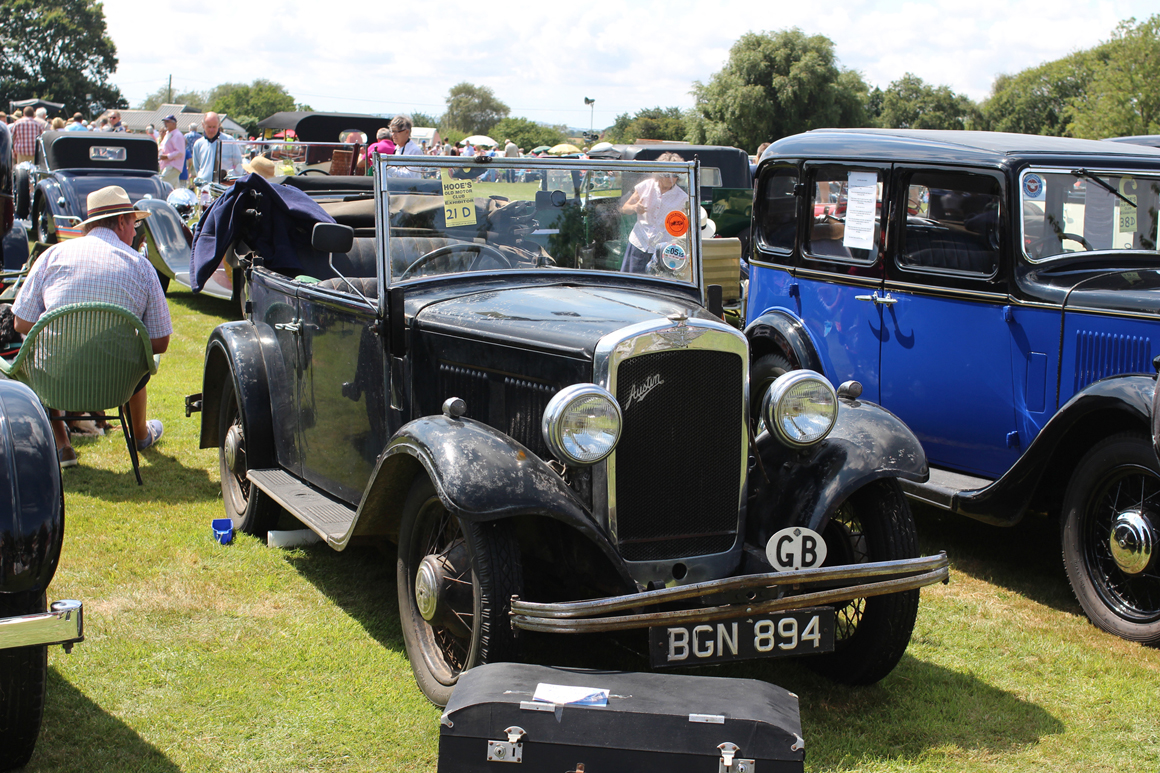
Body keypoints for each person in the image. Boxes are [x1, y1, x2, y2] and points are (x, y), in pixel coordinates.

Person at [12, 185, 172, 467]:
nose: (135, 233)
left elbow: (21, 322)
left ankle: (63, 444)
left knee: (45, 352)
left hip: (55, 379)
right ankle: (140, 435)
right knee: (138, 357)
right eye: (134, 224)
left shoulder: (51, 255)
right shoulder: (141, 266)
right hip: (118, 382)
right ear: (121, 222)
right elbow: (160, 343)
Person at [619, 152, 689, 273]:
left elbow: (684, 227)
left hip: (663, 249)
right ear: (659, 173)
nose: (671, 178)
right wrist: (635, 207)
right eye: (667, 174)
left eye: (675, 174)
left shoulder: (683, 198)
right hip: (639, 243)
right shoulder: (645, 186)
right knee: (630, 285)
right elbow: (624, 208)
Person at [192, 112, 243, 183]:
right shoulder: (198, 144)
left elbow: (238, 164)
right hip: (205, 186)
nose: (211, 130)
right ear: (203, 125)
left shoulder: (229, 141)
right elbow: (197, 166)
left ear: (219, 125)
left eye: (214, 127)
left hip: (224, 186)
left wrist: (231, 181)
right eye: (209, 127)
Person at [156, 115, 185, 187]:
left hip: (172, 166)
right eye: (164, 122)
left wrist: (167, 156)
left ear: (173, 123)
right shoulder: (168, 134)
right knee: (174, 189)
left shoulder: (178, 135)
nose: (165, 124)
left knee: (163, 185)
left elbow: (180, 152)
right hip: (166, 165)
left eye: (167, 122)